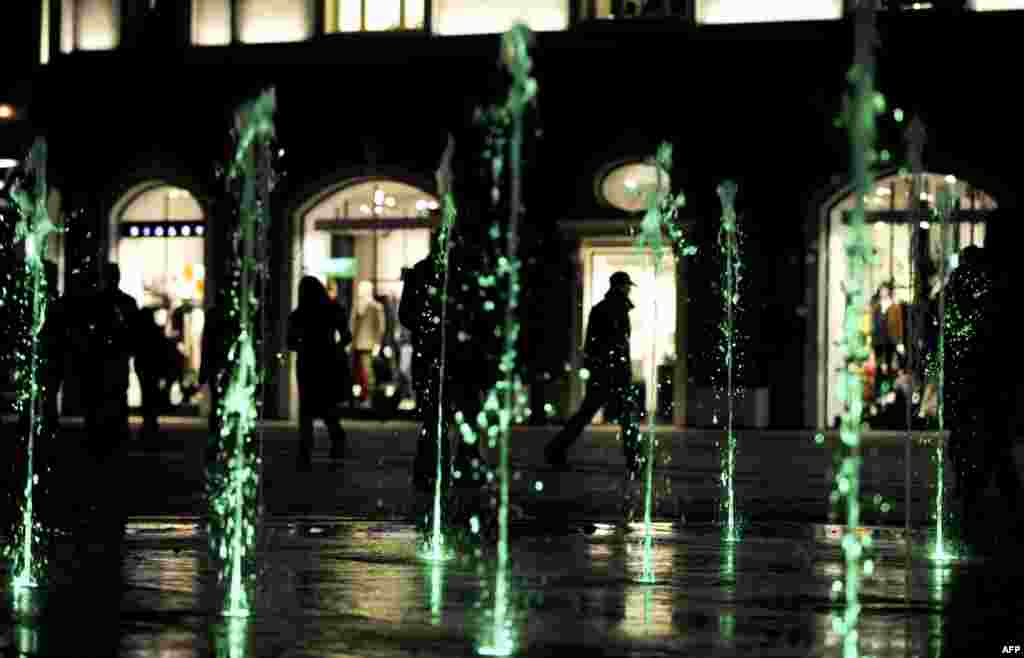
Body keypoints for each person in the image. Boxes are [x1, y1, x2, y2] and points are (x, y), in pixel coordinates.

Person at [545, 271, 643, 480]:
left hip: (604, 373)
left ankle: (555, 449)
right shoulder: (615, 309)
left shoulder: (605, 309)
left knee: (589, 414)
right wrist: (617, 369)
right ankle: (634, 460)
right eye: (627, 286)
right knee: (625, 417)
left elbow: (594, 345)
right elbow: (612, 345)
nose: (629, 289)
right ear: (620, 286)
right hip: (612, 373)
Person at [288, 276, 351, 471]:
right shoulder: (332, 309)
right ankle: (337, 440)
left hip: (307, 363)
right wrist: (334, 349)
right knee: (327, 406)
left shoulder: (298, 314)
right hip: (327, 362)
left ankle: (305, 451)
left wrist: (304, 345)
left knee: (306, 409)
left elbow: (290, 343)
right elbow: (346, 336)